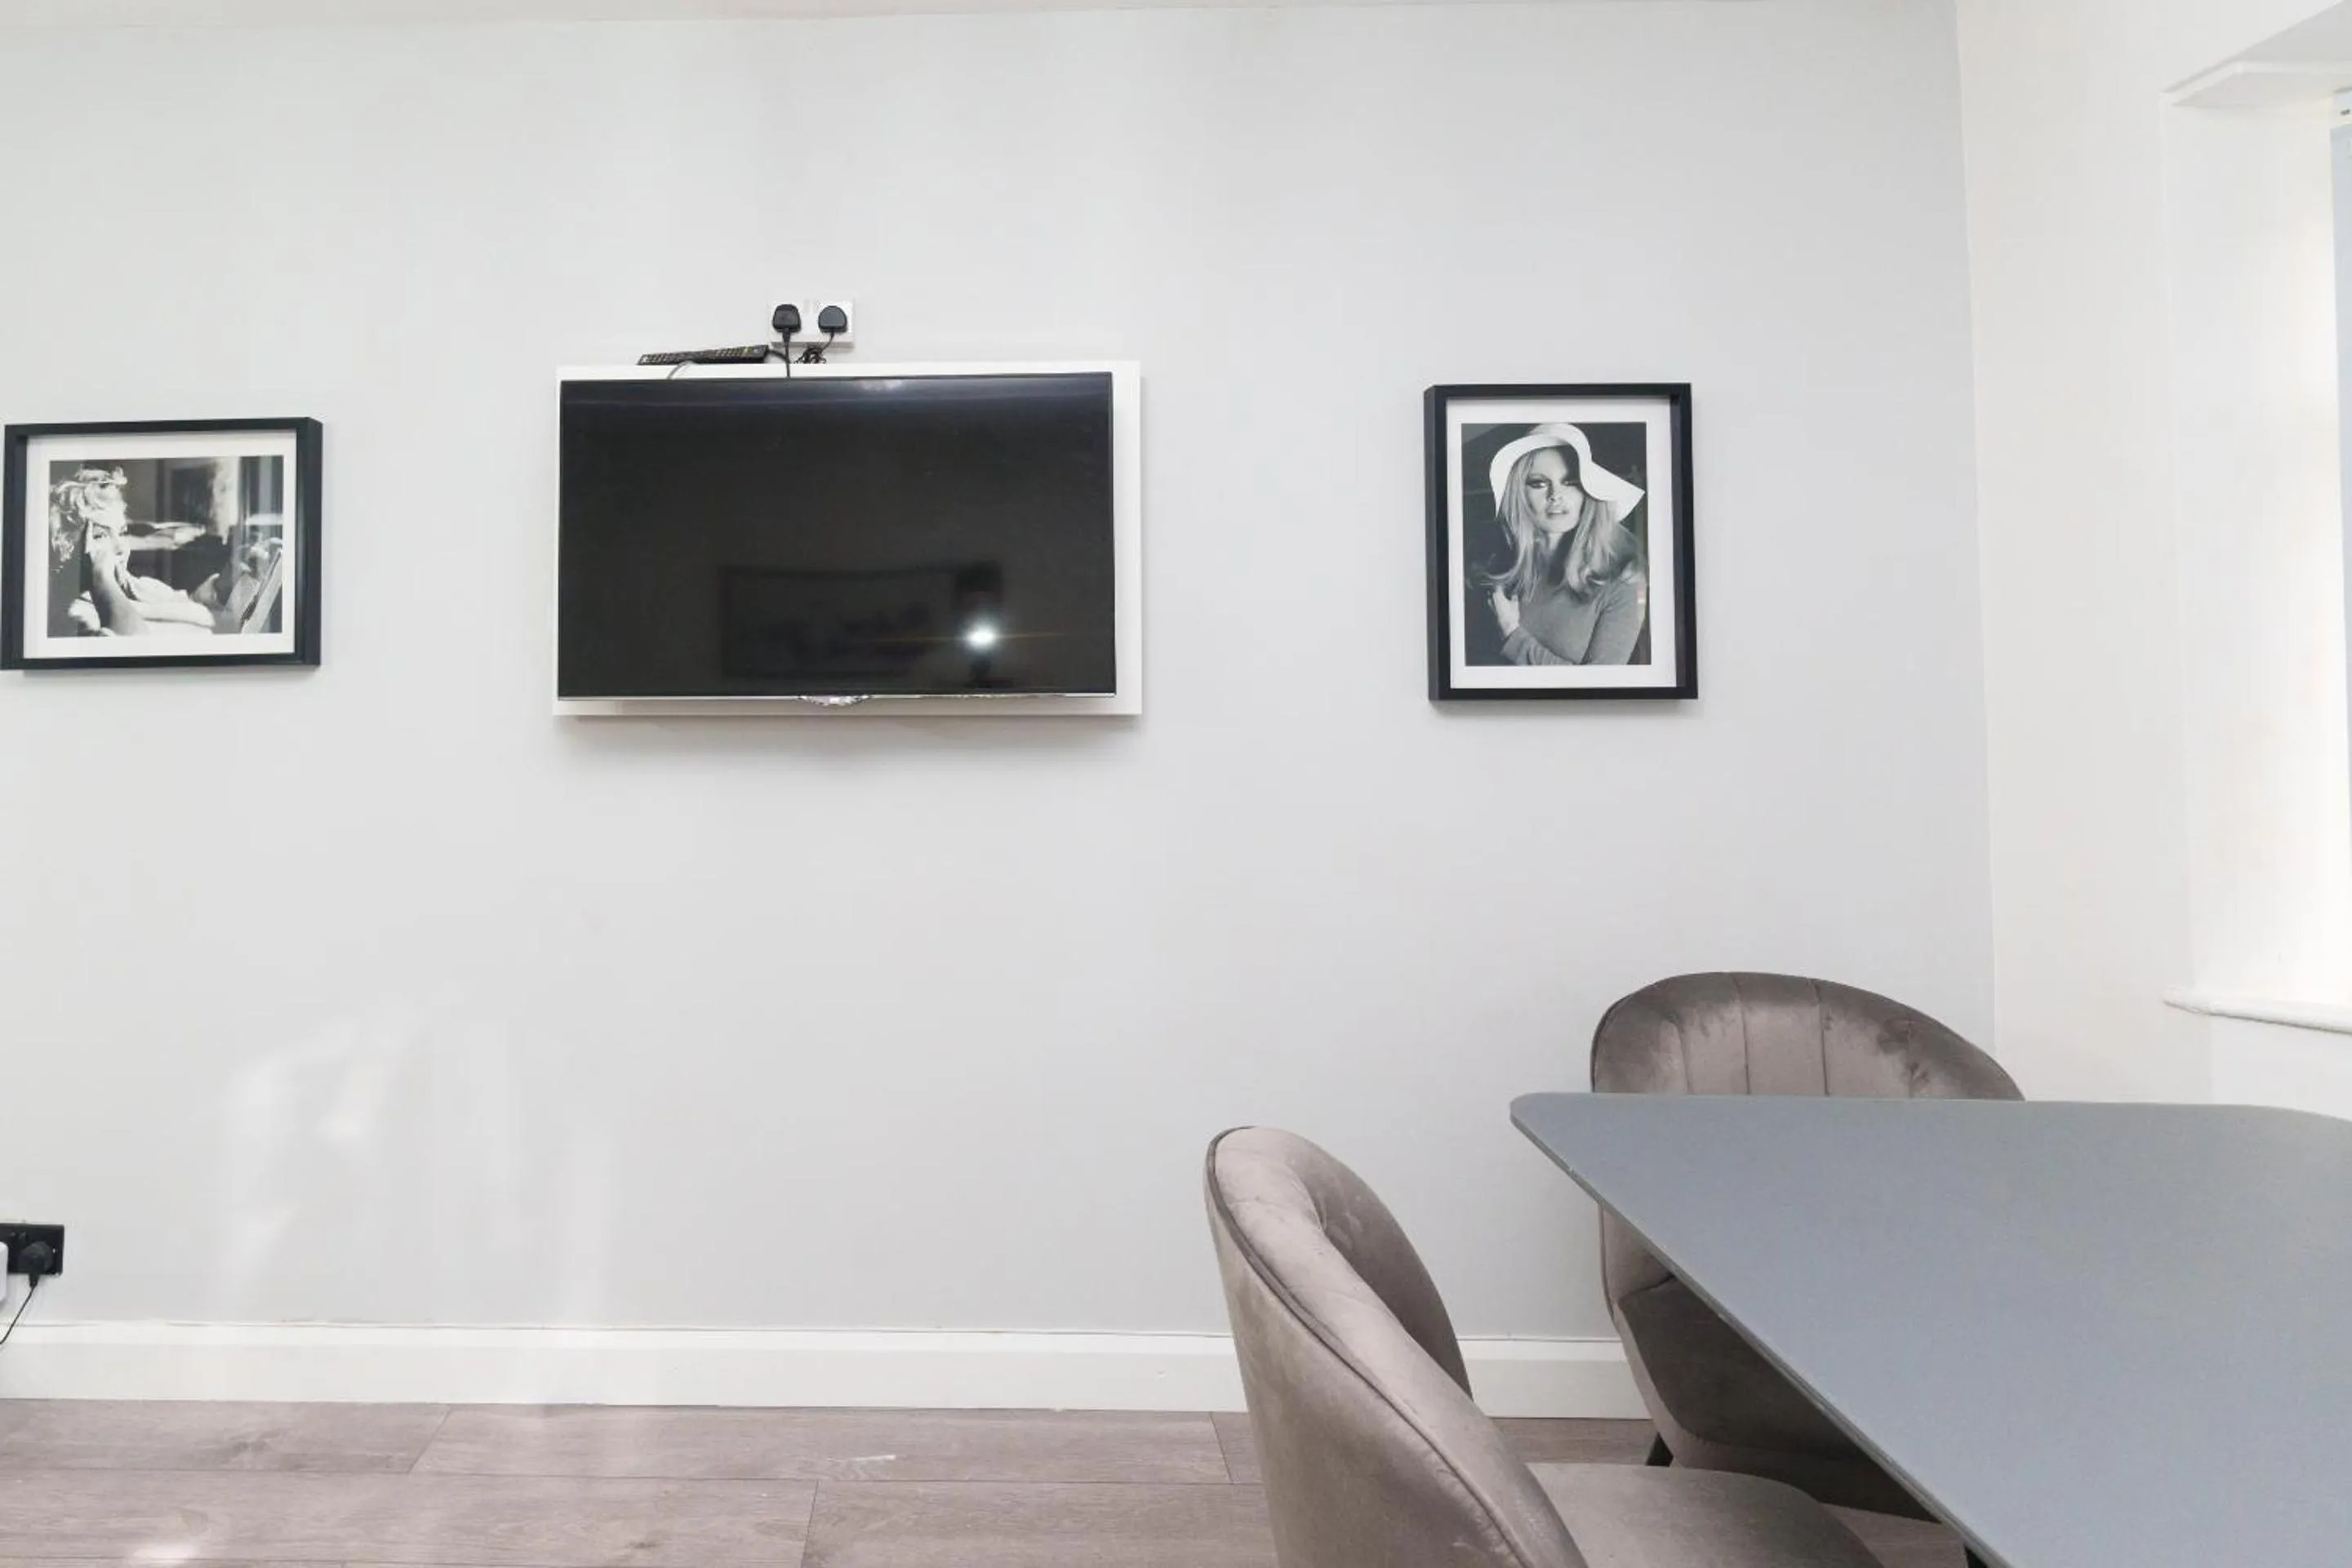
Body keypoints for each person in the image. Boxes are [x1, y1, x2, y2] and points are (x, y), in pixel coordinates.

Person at [1478, 424, 1648, 665]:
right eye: (1539, 483)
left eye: (1570, 482)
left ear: (1588, 491)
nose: (1555, 495)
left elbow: (1598, 690)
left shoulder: (1621, 579)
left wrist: (1511, 634)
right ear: (1520, 494)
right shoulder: (1500, 571)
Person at [48, 467, 243, 637]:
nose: (120, 546)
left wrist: (223, 583)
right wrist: (102, 578)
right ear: (67, 549)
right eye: (100, 536)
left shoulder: (136, 586)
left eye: (122, 532)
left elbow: (187, 603)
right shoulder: (78, 615)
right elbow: (131, 647)